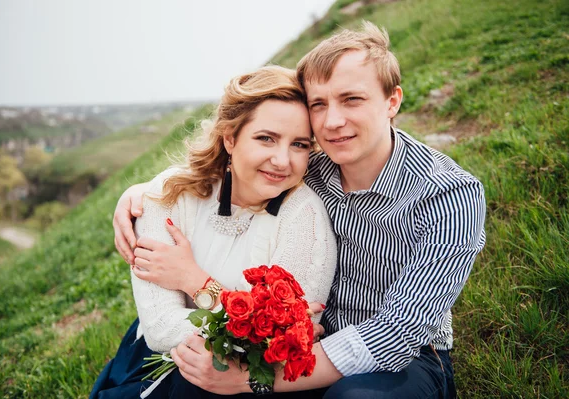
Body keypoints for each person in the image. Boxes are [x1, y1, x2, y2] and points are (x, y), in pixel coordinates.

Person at [113, 21, 486, 398]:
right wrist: (141, 193)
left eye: (351, 99)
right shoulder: (313, 169)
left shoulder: (450, 195)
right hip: (296, 346)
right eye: (319, 105)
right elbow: (229, 170)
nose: (332, 122)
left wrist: (254, 379)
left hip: (402, 360)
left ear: (392, 101)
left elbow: (398, 332)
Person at [91, 65, 338, 398]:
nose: (282, 160)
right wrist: (250, 323)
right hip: (158, 362)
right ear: (230, 138)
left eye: (299, 145)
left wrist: (193, 281)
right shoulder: (167, 196)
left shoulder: (305, 215)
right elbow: (162, 329)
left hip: (254, 382)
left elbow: (284, 342)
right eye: (266, 138)